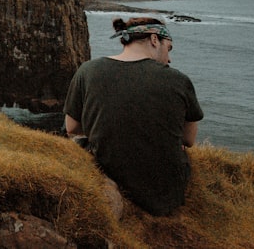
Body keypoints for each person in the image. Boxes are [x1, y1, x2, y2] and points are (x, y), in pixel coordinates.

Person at [63, 16, 203, 216]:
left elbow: (72, 128)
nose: (169, 58)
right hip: (162, 195)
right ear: (155, 40)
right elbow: (188, 140)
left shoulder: (88, 70)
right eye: (168, 48)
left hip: (106, 172)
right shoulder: (179, 80)